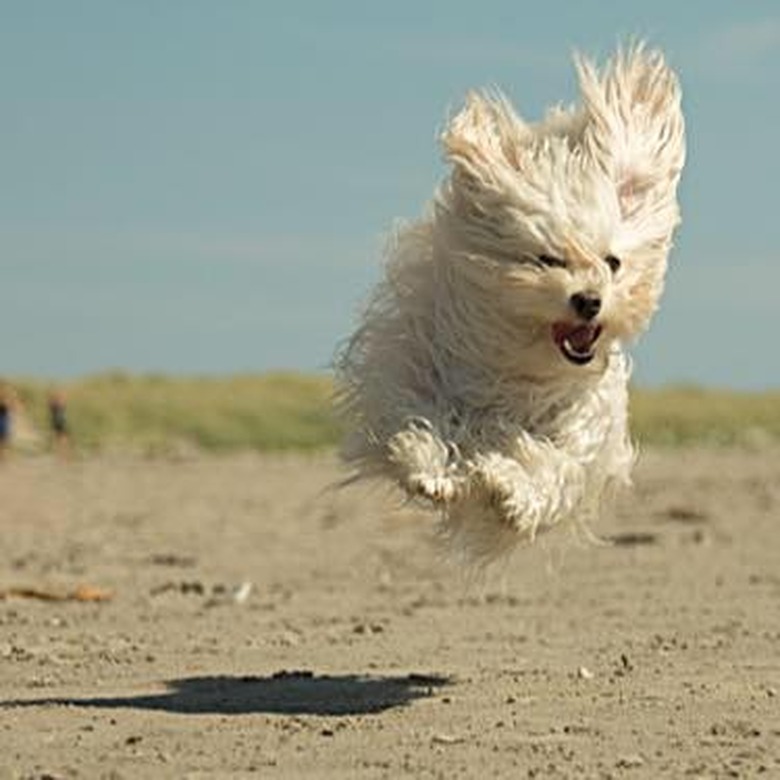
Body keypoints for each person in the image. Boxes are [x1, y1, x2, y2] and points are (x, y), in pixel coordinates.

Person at [48, 389, 71, 457]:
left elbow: (51, 404)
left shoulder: (53, 405)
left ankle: (62, 455)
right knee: (63, 439)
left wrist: (55, 397)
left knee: (59, 440)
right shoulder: (57, 405)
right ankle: (64, 455)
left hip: (56, 422)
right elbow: (63, 402)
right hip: (60, 422)